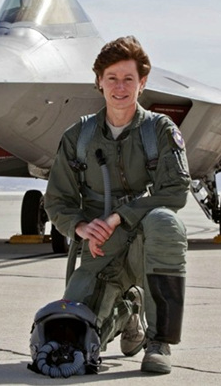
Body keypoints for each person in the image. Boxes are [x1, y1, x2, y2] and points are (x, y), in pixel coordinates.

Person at [44, 36, 190, 374]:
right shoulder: (79, 137)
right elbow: (58, 199)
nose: (120, 87)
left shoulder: (159, 131)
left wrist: (119, 217)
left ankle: (159, 341)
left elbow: (175, 191)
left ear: (142, 83)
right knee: (77, 340)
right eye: (112, 78)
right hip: (101, 245)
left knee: (166, 223)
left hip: (147, 242)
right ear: (99, 82)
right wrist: (81, 227)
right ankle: (127, 312)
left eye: (128, 79)